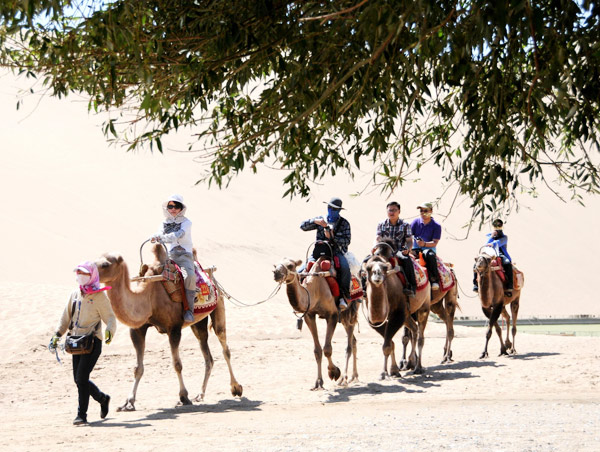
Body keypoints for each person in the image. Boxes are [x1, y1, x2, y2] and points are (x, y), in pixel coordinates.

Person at [48, 261, 117, 425]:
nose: (80, 276)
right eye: (78, 273)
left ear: (91, 275)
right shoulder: (74, 294)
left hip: (92, 342)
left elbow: (110, 317)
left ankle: (82, 415)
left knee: (81, 377)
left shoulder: (99, 296)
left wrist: (110, 330)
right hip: (75, 343)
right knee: (79, 380)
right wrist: (57, 334)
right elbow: (66, 317)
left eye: (84, 273)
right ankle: (102, 398)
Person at [300, 197, 352, 310]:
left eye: (334, 209)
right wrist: (314, 221)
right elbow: (302, 226)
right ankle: (300, 298)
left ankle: (344, 295)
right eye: (330, 207)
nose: (331, 210)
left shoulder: (344, 223)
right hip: (318, 252)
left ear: (339, 211)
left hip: (336, 253)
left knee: (344, 267)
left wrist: (333, 237)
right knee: (300, 271)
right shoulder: (320, 219)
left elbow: (347, 241)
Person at [151, 194, 197, 322]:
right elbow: (159, 233)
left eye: (176, 206)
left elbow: (178, 235)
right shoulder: (164, 223)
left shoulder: (187, 223)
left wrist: (162, 238)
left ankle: (189, 310)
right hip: (170, 255)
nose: (173, 209)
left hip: (184, 255)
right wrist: (154, 237)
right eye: (170, 206)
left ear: (181, 208)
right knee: (154, 273)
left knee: (189, 276)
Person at [375, 201, 417, 296]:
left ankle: (411, 286)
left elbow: (409, 240)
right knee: (368, 260)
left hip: (398, 250)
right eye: (390, 210)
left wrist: (407, 248)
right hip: (383, 250)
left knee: (406, 260)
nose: (392, 212)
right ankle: (365, 286)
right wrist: (375, 246)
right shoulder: (382, 224)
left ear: (399, 211)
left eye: (394, 210)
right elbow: (377, 238)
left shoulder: (405, 225)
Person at [473, 218, 514, 297]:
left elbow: (500, 242)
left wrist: (494, 243)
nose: (497, 229)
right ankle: (475, 284)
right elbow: (486, 244)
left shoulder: (504, 237)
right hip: (489, 254)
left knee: (507, 263)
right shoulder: (489, 236)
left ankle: (509, 286)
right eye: (496, 226)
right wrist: (492, 236)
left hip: (500, 254)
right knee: (476, 264)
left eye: (499, 226)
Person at [410, 202, 442, 290]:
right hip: (414, 249)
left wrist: (424, 244)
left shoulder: (436, 226)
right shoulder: (415, 222)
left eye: (425, 211)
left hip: (428, 249)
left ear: (431, 211)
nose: (423, 213)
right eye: (421, 211)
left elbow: (435, 242)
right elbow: (408, 235)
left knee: (430, 256)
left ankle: (434, 280)